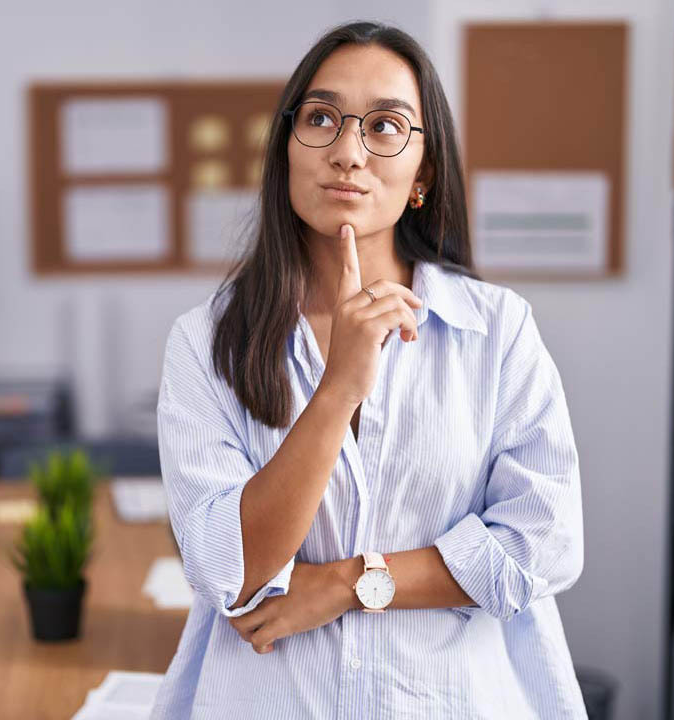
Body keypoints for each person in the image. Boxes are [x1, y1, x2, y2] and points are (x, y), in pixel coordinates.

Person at [150, 20, 586, 719]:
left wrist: (351, 583)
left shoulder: (496, 330)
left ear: (424, 175)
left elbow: (544, 546)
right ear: (286, 149)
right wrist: (338, 390)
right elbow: (227, 572)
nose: (348, 152)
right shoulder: (205, 342)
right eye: (321, 118)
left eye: (385, 127)